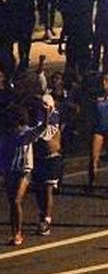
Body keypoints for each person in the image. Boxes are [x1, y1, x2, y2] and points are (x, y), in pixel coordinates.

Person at [2, 104, 45, 246]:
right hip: (10, 170)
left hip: (24, 171)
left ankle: (18, 232)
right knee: (12, 203)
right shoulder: (8, 134)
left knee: (16, 200)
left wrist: (46, 114)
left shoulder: (26, 132)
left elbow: (42, 128)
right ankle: (15, 232)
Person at [31, 94, 62, 236]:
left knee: (48, 189)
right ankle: (42, 213)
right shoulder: (36, 118)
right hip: (39, 159)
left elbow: (54, 141)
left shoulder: (55, 117)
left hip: (52, 159)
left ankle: (46, 219)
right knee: (39, 190)